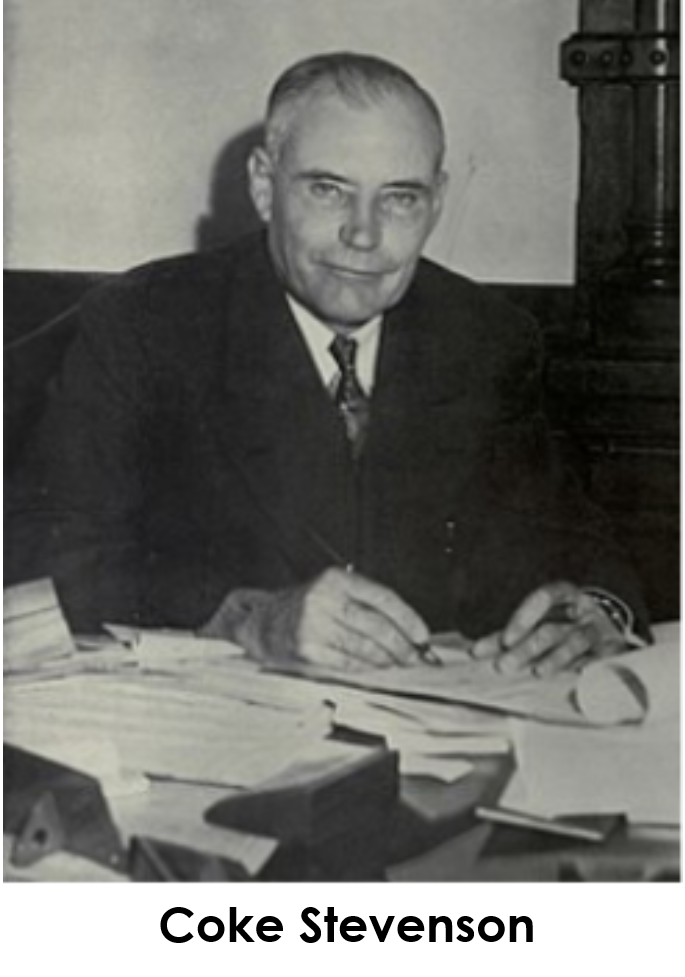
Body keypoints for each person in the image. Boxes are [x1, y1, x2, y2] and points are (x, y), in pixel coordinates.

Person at [6, 52, 648, 675]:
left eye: (400, 198)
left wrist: (598, 611)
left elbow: (571, 537)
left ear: (437, 202)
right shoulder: (146, 325)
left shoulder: (485, 337)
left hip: (432, 721)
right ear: (264, 186)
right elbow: (45, 557)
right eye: (328, 190)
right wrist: (244, 617)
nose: (363, 235)